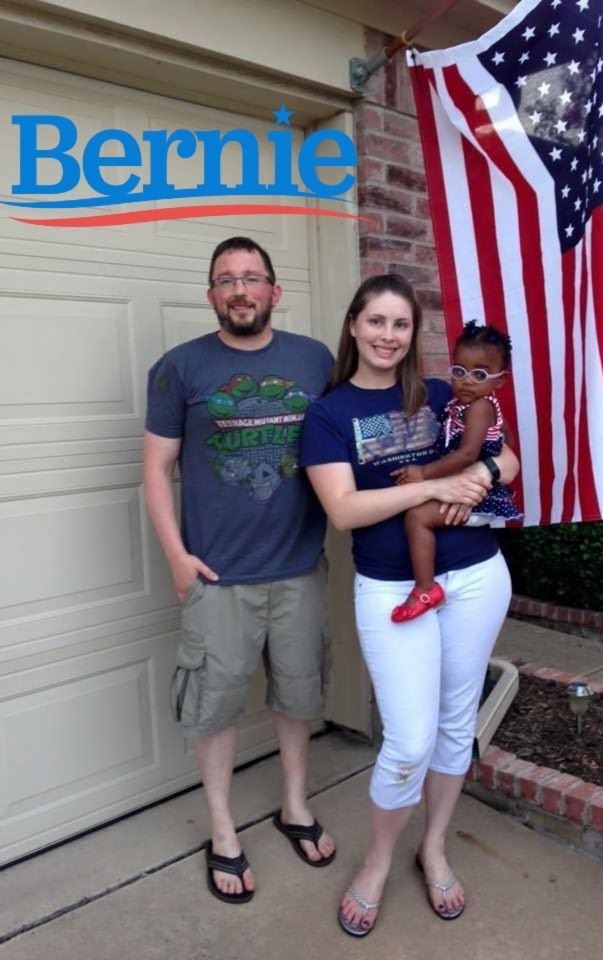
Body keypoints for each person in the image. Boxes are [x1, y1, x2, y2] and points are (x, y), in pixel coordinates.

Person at [300, 274, 518, 936]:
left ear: (412, 332)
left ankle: (434, 846)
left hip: (475, 576)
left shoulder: (446, 393)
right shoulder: (329, 415)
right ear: (354, 325)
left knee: (455, 724)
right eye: (376, 321)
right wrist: (432, 487)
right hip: (394, 587)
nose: (388, 336)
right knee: (408, 740)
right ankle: (379, 861)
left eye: (400, 324)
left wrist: (479, 475)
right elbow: (344, 511)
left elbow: (508, 462)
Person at [143, 236, 336, 906]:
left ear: (274, 291)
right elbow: (156, 470)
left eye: (252, 278)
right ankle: (222, 830)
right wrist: (176, 556)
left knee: (298, 696)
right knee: (214, 707)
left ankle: (294, 805)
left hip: (299, 566)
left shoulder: (314, 360)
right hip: (218, 577)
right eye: (226, 280)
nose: (240, 290)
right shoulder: (179, 368)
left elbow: (351, 432)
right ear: (212, 296)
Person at [390, 319, 521, 623]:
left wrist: (423, 473)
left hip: (478, 496)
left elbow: (467, 454)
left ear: (500, 381)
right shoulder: (462, 406)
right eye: (459, 371)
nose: (467, 381)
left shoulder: (480, 407)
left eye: (480, 374)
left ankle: (425, 589)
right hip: (467, 487)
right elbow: (506, 435)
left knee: (417, 517)